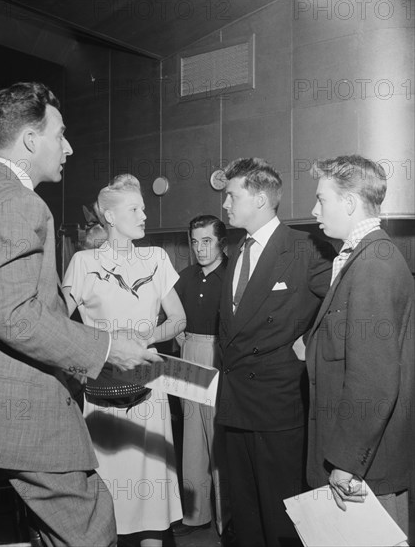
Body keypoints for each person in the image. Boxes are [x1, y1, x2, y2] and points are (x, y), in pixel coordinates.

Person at [0, 82, 161, 547]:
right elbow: (14, 316)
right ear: (31, 140)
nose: (69, 147)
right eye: (61, 135)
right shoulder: (20, 202)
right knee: (92, 518)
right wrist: (105, 347)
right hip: (4, 410)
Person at [216, 157, 335, 547]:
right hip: (234, 407)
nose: (225, 205)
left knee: (281, 519)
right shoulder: (236, 252)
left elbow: (345, 308)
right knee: (245, 516)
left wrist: (313, 345)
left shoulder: (304, 248)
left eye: (232, 195)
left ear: (262, 198)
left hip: (278, 410)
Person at [62, 174, 186, 546]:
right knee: (109, 490)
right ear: (110, 217)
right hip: (102, 394)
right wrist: (103, 345)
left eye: (144, 208)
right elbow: (55, 326)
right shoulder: (83, 262)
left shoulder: (157, 258)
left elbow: (179, 319)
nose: (145, 215)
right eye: (136, 209)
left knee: (151, 493)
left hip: (151, 389)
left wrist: (147, 336)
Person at [306, 155, 414, 536]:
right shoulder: (366, 255)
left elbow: (374, 378)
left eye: (322, 199)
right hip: (362, 459)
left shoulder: (373, 264)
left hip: (364, 469)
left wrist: (348, 461)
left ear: (349, 202)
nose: (313, 209)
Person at [172, 215, 230, 538]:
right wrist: (185, 343)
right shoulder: (185, 276)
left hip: (219, 355)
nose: (200, 248)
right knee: (192, 437)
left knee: (218, 438)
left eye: (206, 241)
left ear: (221, 242)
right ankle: (196, 515)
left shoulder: (234, 273)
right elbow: (171, 315)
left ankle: (227, 519)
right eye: (195, 242)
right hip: (189, 353)